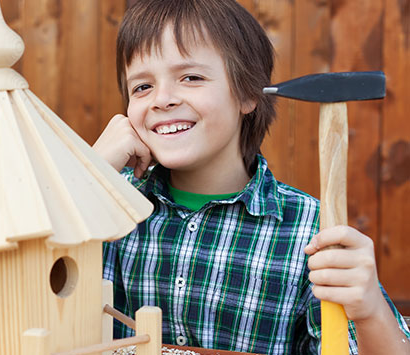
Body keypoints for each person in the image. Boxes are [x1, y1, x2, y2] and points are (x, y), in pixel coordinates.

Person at [94, 0, 410, 354]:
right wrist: (87, 172)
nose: (162, 99)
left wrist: (369, 311)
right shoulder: (105, 204)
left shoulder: (311, 234)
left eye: (191, 77)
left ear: (247, 93)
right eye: (142, 87)